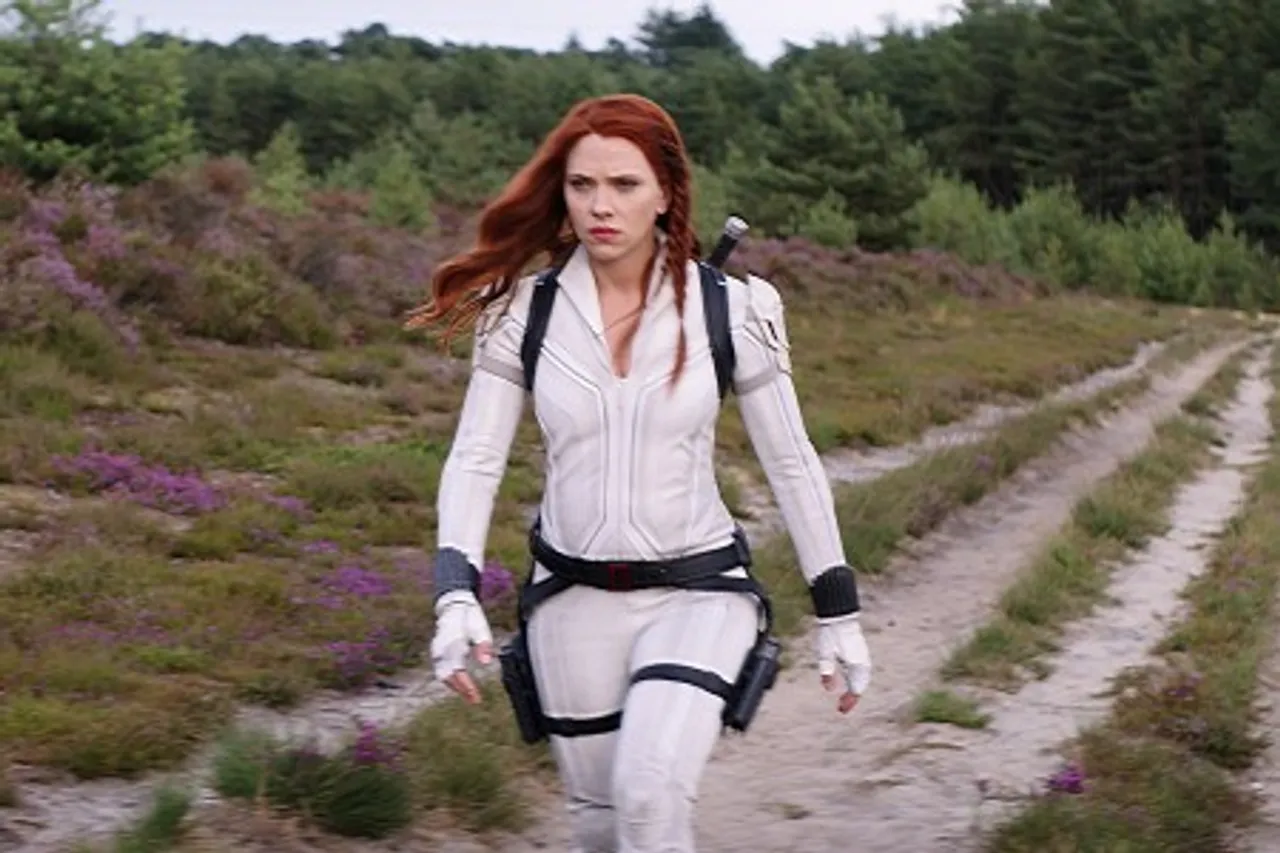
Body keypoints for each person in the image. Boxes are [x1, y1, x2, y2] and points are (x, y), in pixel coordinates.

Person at [407, 93, 872, 853]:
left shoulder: (734, 309)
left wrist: (839, 612)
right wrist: (454, 595)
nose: (601, 206)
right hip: (569, 601)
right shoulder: (518, 313)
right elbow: (475, 458)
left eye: (624, 184)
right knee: (600, 827)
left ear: (666, 193)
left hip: (701, 591)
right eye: (582, 185)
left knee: (649, 796)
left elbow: (791, 462)